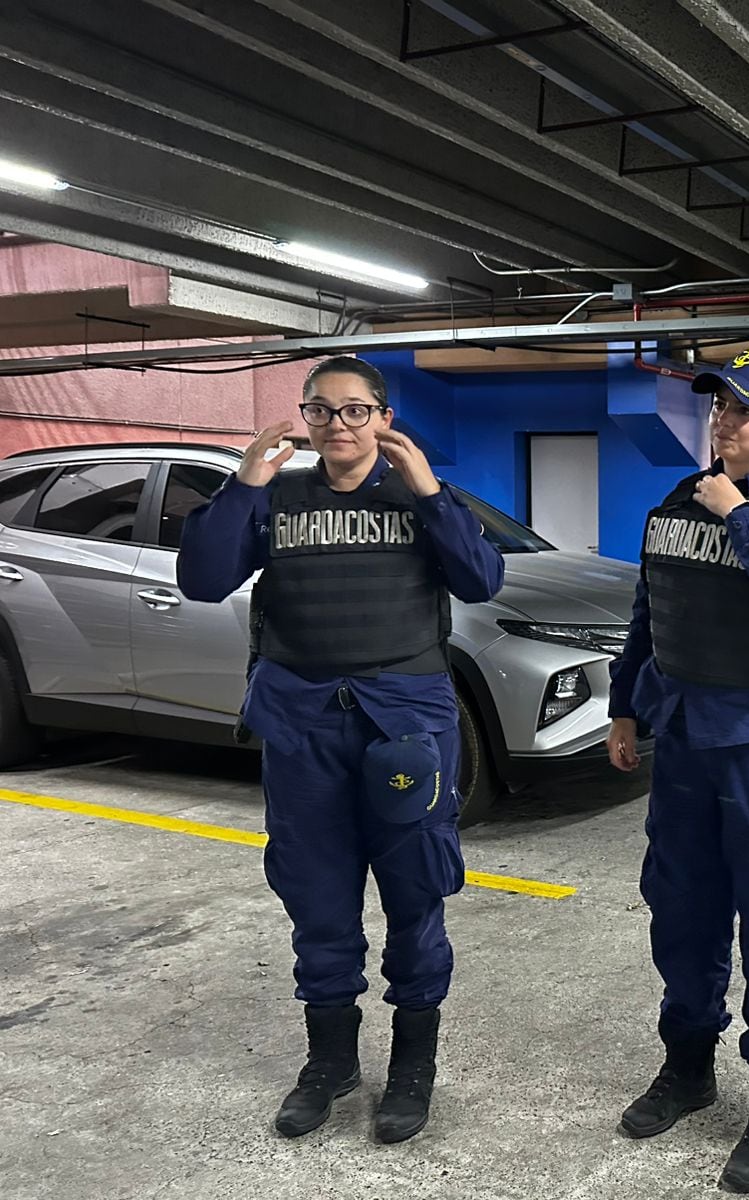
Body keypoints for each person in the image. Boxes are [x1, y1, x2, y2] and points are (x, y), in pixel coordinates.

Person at [177, 357, 504, 1144]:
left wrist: (429, 486)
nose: (338, 427)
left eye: (356, 411)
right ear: (306, 420)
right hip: (303, 725)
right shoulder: (279, 500)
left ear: (382, 417)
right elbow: (201, 577)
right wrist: (245, 485)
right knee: (316, 893)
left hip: (404, 726)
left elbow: (482, 578)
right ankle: (331, 1063)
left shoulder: (418, 498)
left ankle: (413, 1065)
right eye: (321, 412)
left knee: (415, 893)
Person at [606, 346, 749, 1194]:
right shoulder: (674, 504)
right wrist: (623, 704)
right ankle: (689, 1067)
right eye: (717, 408)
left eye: (744, 411)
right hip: (685, 739)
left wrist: (738, 509)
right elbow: (650, 609)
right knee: (683, 911)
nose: (724, 422)